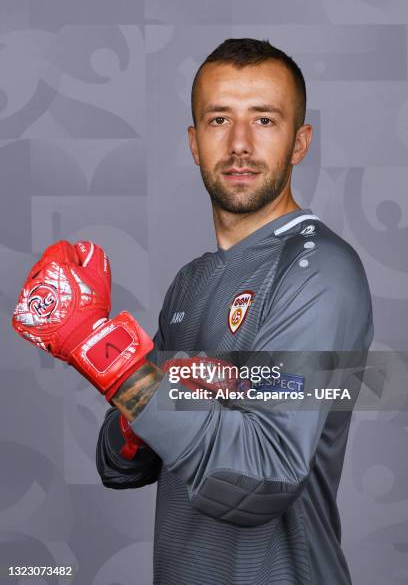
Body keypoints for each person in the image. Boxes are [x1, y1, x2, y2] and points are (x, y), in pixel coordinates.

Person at [13, 39, 373, 585]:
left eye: (265, 120)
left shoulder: (320, 270)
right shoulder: (192, 283)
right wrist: (139, 409)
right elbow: (123, 465)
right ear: (193, 141)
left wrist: (105, 354)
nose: (240, 144)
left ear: (300, 142)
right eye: (219, 119)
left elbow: (264, 478)